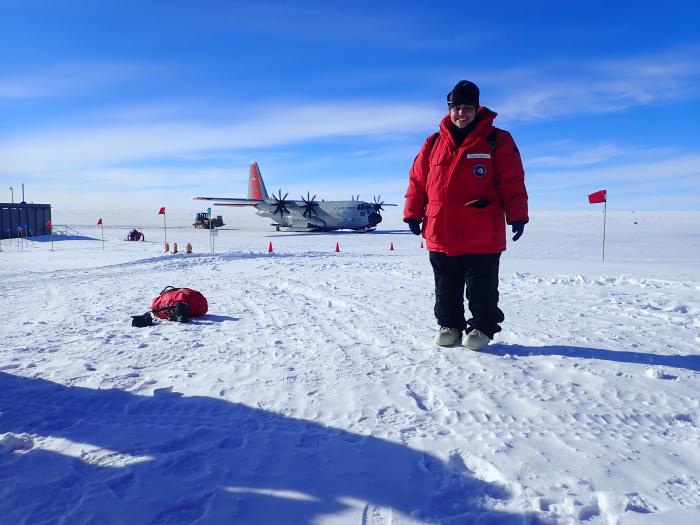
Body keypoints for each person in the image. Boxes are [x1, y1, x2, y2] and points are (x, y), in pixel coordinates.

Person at [403, 80, 528, 350]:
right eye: (457, 108)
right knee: (445, 284)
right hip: (440, 228)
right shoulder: (434, 142)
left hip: (481, 229)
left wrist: (518, 215)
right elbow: (417, 181)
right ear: (449, 110)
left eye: (467, 108)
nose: (462, 113)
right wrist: (412, 213)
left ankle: (482, 327)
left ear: (477, 108)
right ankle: (449, 325)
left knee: (481, 284)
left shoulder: (497, 140)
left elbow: (513, 181)